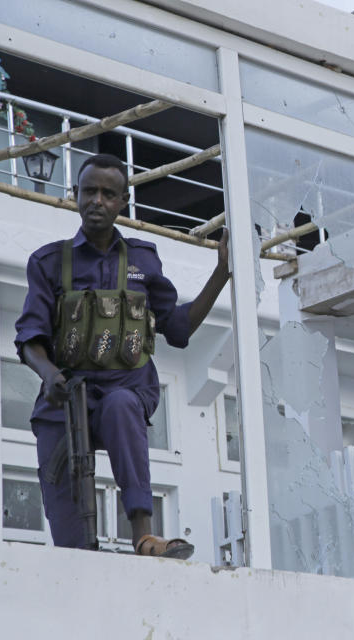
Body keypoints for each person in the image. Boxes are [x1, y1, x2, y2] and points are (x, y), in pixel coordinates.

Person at [14, 153, 230, 559]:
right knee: (70, 543)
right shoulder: (48, 262)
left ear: (122, 203)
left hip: (125, 388)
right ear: (75, 195)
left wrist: (222, 273)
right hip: (65, 395)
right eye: (90, 192)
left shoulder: (143, 259)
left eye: (108, 194)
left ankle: (144, 536)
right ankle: (79, 559)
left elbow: (178, 327)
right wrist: (48, 375)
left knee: (120, 406)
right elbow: (29, 336)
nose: (98, 201)